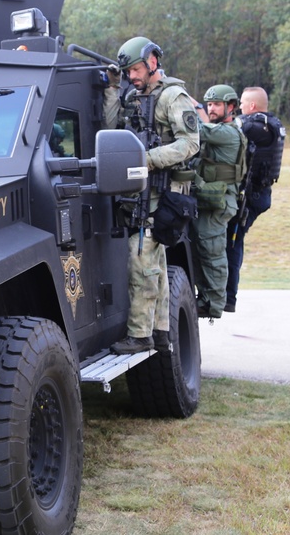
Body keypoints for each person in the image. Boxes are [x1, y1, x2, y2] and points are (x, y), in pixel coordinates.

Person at [109, 37, 199, 354]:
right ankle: (160, 331)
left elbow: (190, 143)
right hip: (140, 191)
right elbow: (111, 129)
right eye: (127, 71)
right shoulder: (133, 96)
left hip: (163, 191)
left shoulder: (173, 96)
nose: (131, 76)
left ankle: (140, 335)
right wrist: (111, 89)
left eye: (134, 69)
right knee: (155, 262)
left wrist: (148, 159)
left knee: (141, 258)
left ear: (151, 63)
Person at [225, 86, 285, 312]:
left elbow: (231, 129)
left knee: (232, 244)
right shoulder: (269, 124)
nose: (239, 107)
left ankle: (229, 297)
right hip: (256, 195)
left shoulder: (259, 128)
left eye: (241, 103)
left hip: (251, 198)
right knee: (233, 242)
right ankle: (228, 295)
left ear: (251, 106)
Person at [192, 85, 245, 319]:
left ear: (230, 107)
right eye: (208, 104)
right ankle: (206, 298)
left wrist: (188, 109)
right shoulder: (222, 129)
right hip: (214, 199)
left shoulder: (228, 133)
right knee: (204, 248)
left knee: (212, 251)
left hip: (220, 202)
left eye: (216, 104)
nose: (211, 108)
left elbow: (199, 131)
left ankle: (213, 303)